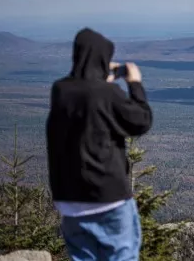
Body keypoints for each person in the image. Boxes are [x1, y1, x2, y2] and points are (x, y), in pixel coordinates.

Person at [46, 27, 153, 261]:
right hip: (108, 196)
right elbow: (141, 121)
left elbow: (85, 99)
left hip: (69, 201)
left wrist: (99, 78)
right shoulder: (107, 93)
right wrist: (135, 84)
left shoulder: (60, 91)